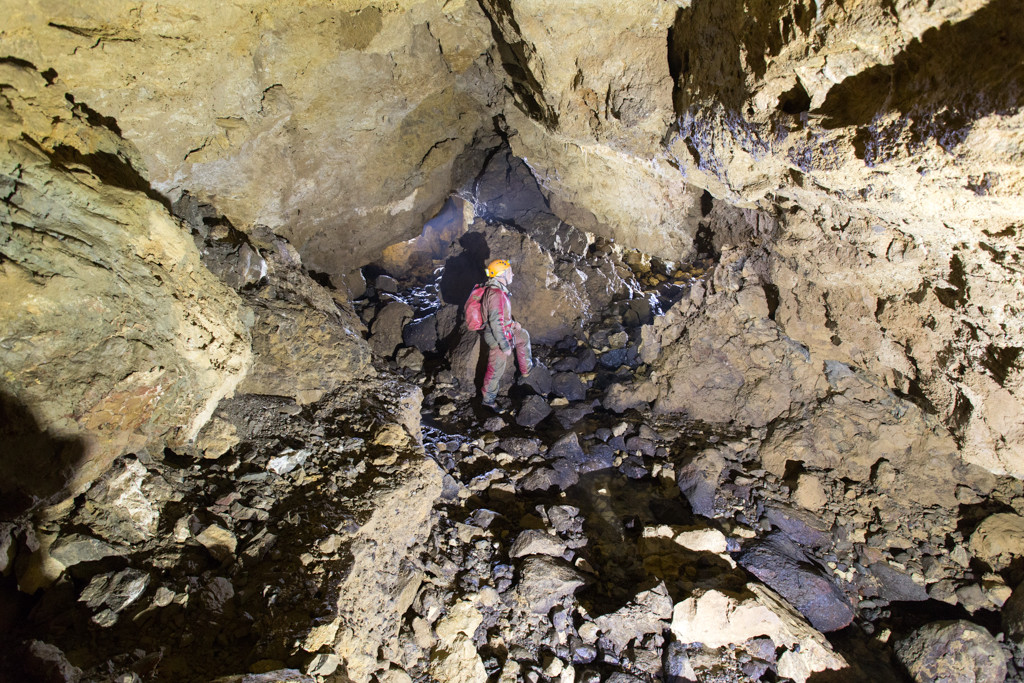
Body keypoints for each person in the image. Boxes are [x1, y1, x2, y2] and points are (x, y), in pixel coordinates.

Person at [479, 258, 533, 410]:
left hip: (504, 331)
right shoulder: (496, 294)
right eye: (510, 272)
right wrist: (505, 346)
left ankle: (526, 371)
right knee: (496, 369)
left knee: (523, 336)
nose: (513, 274)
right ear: (502, 274)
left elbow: (501, 318)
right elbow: (496, 323)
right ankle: (488, 401)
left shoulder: (498, 290)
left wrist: (513, 325)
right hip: (496, 336)